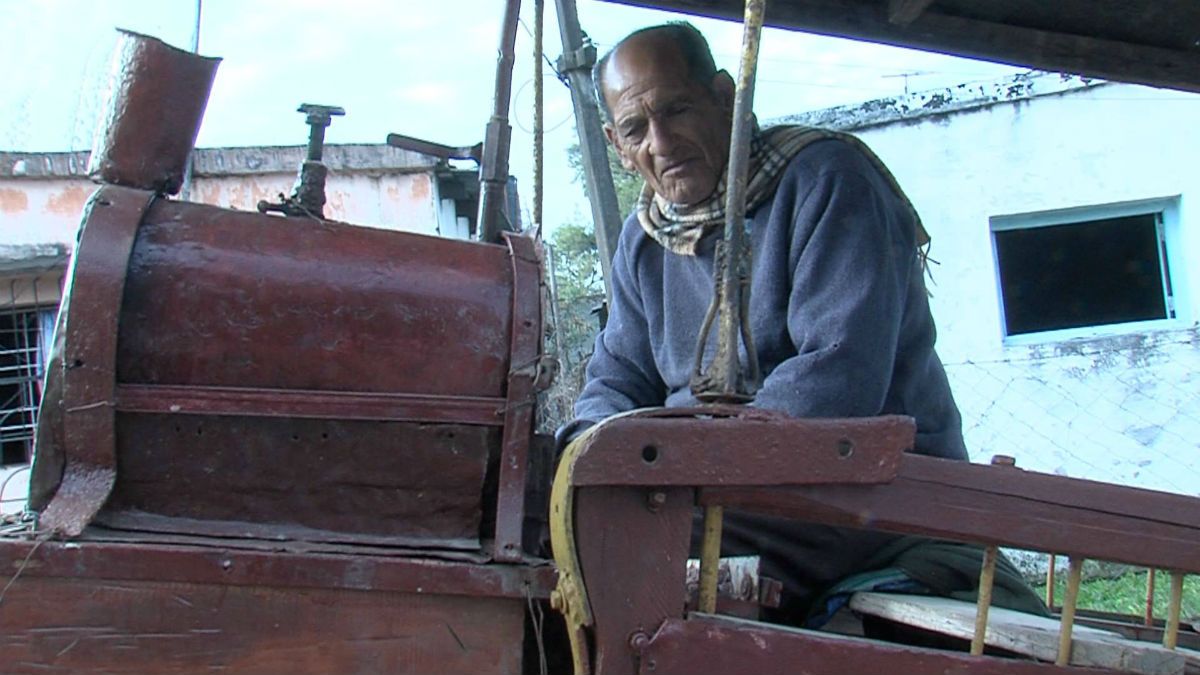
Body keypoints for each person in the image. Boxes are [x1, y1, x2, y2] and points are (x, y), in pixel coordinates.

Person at [558, 22, 1045, 627]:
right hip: (714, 488)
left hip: (865, 495)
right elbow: (615, 379)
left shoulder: (826, 180)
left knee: (626, 546)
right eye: (636, 128)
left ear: (725, 97)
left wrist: (678, 464)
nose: (661, 141)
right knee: (543, 521)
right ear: (616, 143)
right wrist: (595, 456)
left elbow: (838, 381)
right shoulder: (644, 241)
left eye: (677, 109)